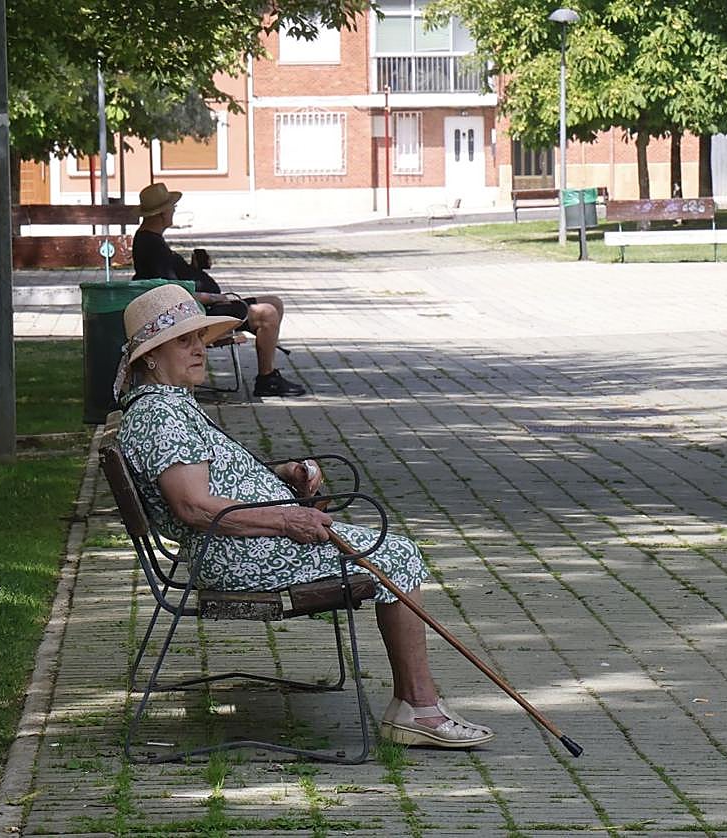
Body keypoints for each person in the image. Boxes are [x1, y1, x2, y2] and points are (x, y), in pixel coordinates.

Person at [114, 283, 494, 749]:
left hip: (248, 544)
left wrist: (281, 473)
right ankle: (419, 708)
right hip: (240, 556)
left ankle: (416, 705)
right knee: (396, 555)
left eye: (200, 339)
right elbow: (193, 508)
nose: (200, 350)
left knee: (389, 550)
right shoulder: (160, 416)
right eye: (184, 341)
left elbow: (211, 478)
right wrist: (285, 521)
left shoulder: (166, 406)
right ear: (150, 356)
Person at [131, 182, 305, 398]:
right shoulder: (151, 245)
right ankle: (266, 379)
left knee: (274, 301)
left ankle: (268, 373)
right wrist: (213, 297)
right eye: (171, 207)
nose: (174, 210)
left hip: (195, 308)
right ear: (160, 213)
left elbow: (172, 280)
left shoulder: (151, 239)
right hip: (192, 314)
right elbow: (170, 292)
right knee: (267, 313)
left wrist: (194, 270)